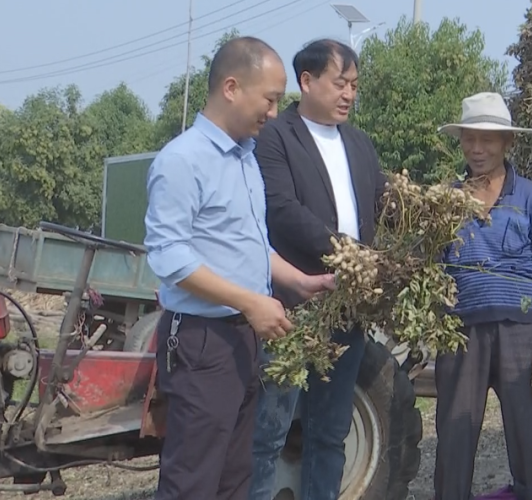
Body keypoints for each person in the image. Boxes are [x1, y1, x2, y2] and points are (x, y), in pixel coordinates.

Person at [144, 36, 337, 500]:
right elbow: (169, 257)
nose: (274, 112)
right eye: (269, 99)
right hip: (202, 341)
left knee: (235, 477)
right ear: (231, 88)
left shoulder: (246, 157)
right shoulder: (183, 160)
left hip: (243, 340)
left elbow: (252, 246)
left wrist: (298, 280)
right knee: (193, 480)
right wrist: (251, 302)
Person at [248, 38, 386, 500]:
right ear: (306, 82)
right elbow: (282, 209)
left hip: (347, 310)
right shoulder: (275, 136)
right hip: (291, 306)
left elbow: (381, 202)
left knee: (330, 432)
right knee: (269, 431)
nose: (349, 94)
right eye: (340, 83)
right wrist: (349, 253)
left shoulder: (360, 143)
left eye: (355, 85)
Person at [434, 91, 532, 500]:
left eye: (487, 139)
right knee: (454, 441)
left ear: (507, 142)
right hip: (462, 333)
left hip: (523, 335)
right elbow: (433, 272)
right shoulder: (446, 200)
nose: (477, 148)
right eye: (469, 138)